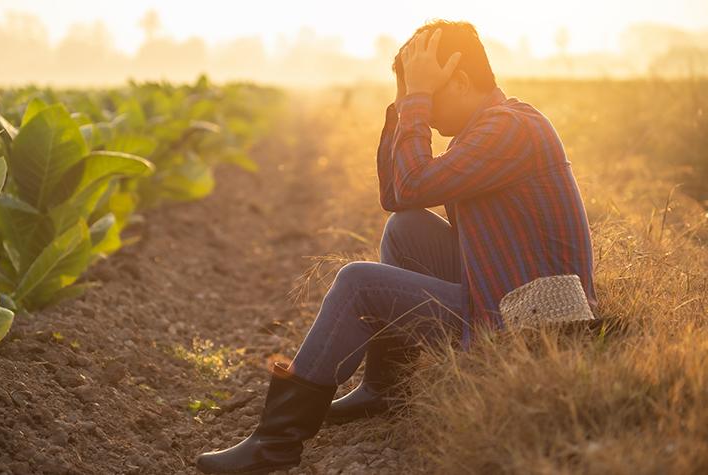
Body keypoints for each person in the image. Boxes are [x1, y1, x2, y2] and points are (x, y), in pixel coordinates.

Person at [196, 20, 597, 474]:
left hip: (530, 322)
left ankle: (275, 441)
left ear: (461, 81)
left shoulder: (510, 129)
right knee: (405, 228)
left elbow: (410, 184)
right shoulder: (484, 126)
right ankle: (384, 388)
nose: (417, 105)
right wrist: (410, 98)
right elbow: (397, 196)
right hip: (501, 290)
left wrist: (415, 103)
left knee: (357, 283)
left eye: (426, 93)